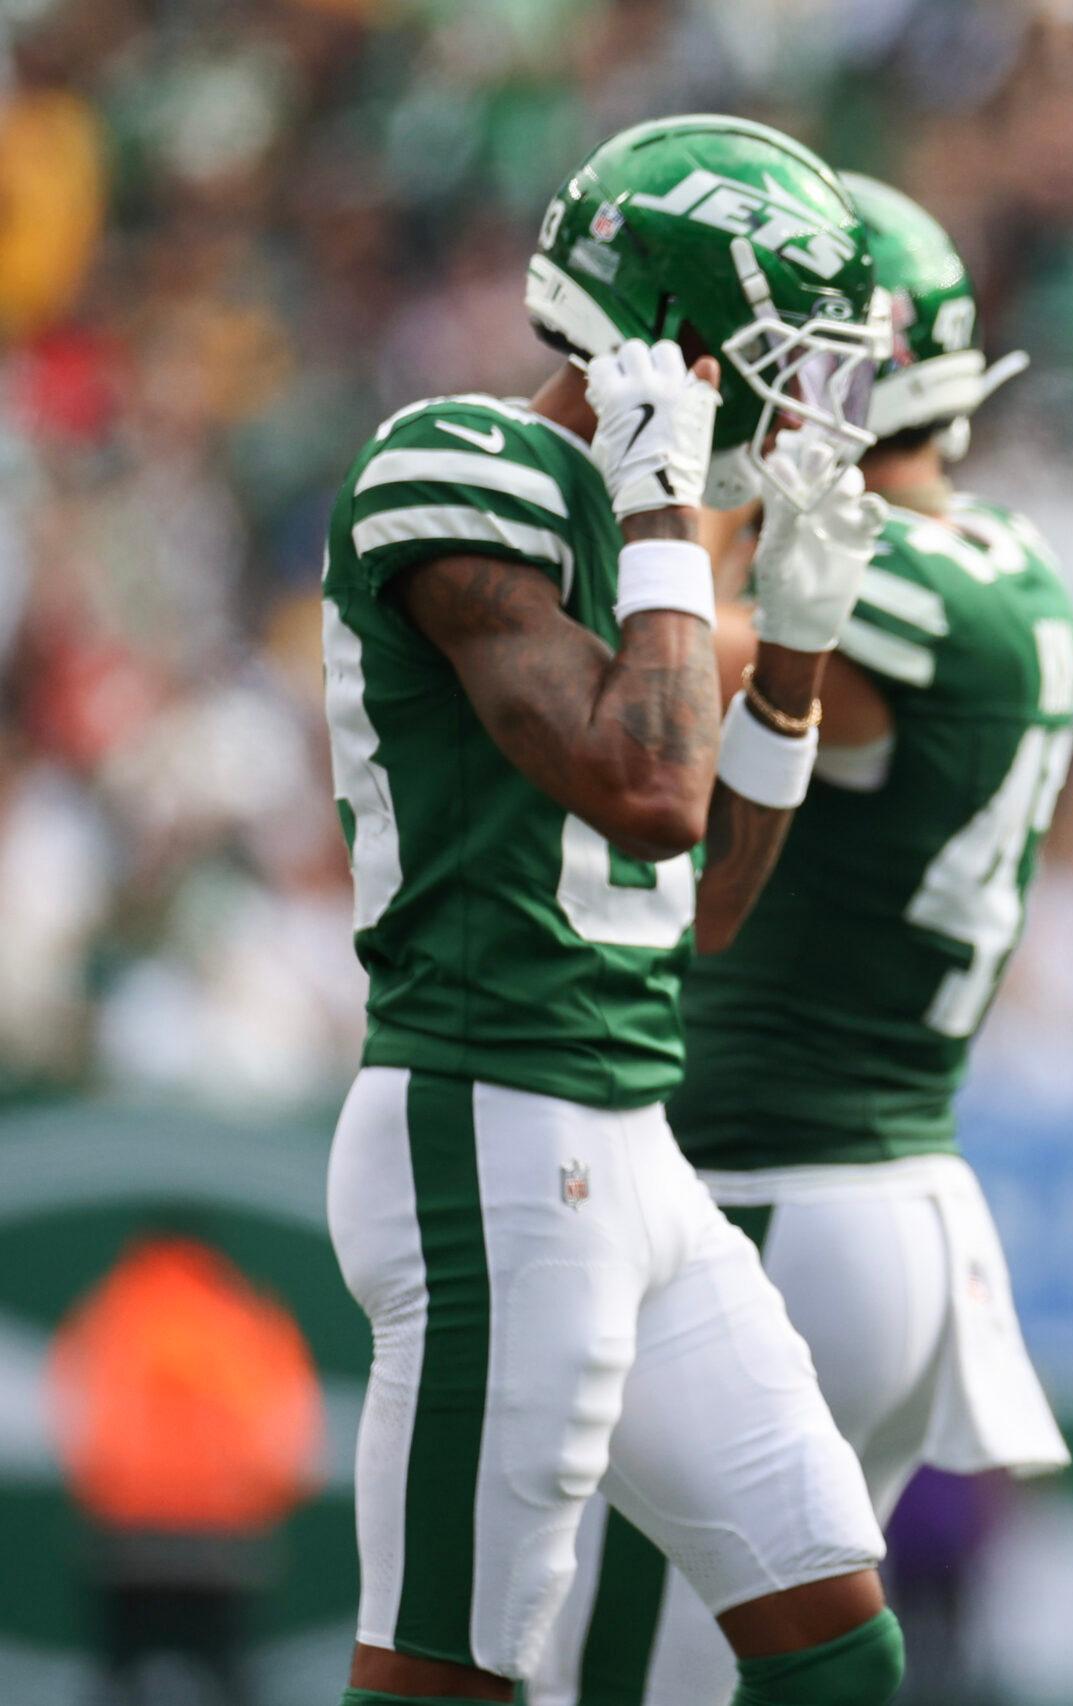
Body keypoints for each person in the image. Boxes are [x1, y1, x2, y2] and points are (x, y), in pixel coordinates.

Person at [319, 114, 907, 1706]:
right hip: (489, 1120)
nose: (813, 402)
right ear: (673, 324)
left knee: (836, 1642)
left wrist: (793, 645)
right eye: (789, 358)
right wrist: (660, 521)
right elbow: (647, 790)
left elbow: (709, 903)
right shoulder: (457, 462)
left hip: (624, 1138)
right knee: (451, 1667)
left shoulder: (660, 532)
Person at [530, 171, 1073, 1706]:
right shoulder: (1007, 557)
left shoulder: (878, 578)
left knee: (626, 1679)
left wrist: (675, 481)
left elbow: (647, 678)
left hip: (769, 1189)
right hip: (875, 1193)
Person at [49, 1231, 322, 1706]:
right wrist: (251, 1507)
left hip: (127, 1539)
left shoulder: (110, 1311)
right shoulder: (245, 1318)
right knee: (228, 1678)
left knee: (118, 1678)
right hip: (223, 1542)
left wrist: (112, 1496)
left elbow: (71, 1421)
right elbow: (290, 1438)